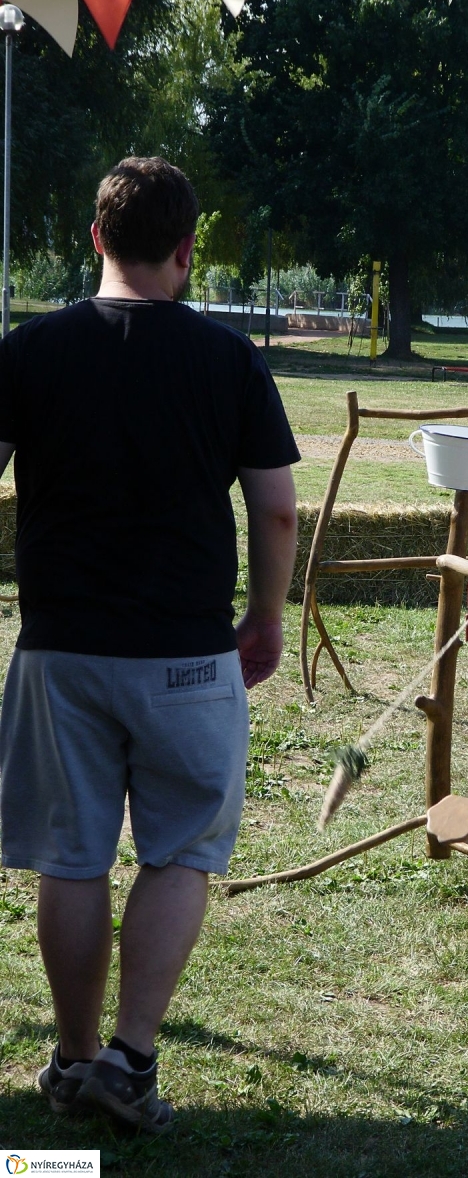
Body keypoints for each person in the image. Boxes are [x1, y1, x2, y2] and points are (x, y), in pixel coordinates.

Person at [0, 157, 300, 1131]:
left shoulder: (29, 350)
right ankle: (128, 1062)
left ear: (93, 240)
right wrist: (266, 614)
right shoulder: (229, 358)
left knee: (72, 858)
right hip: (184, 652)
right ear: (185, 250)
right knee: (181, 852)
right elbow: (277, 509)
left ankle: (73, 1057)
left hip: (59, 649)